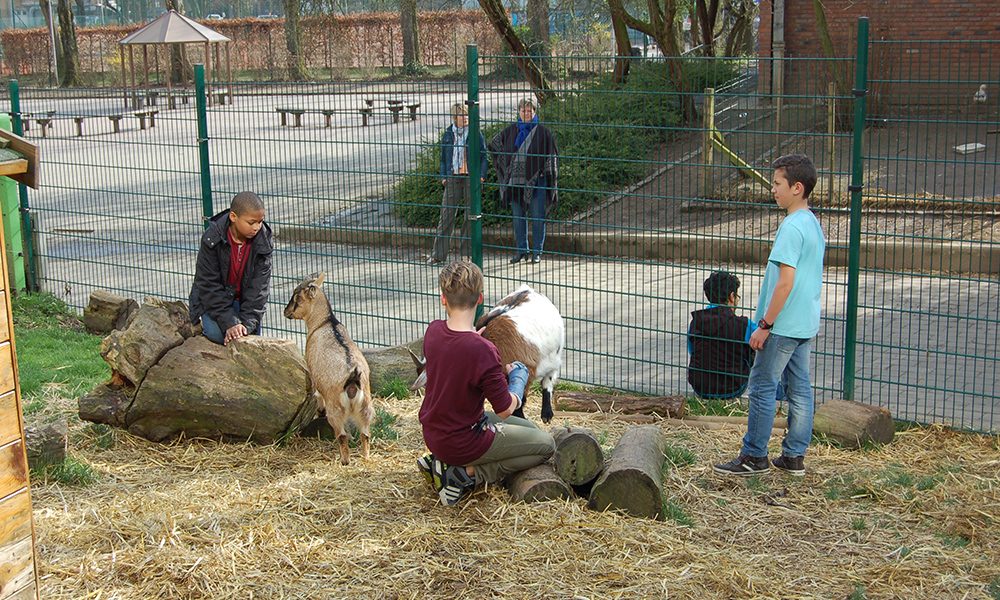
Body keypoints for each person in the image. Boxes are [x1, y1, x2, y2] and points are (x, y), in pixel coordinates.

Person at [714, 154, 825, 478]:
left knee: (762, 385)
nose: (772, 188)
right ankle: (793, 457)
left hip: (783, 324)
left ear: (797, 187)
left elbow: (786, 282)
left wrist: (765, 325)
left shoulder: (791, 228)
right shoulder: (811, 222)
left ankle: (754, 455)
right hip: (804, 322)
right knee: (800, 387)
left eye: (777, 183)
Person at [416, 260, 556, 506]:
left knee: (532, 430)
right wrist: (518, 377)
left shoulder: (433, 331)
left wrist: (474, 340)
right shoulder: (484, 351)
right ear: (480, 298)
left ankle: (440, 461)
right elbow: (504, 409)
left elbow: (457, 349)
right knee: (546, 445)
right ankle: (464, 474)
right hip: (464, 442)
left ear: (443, 299)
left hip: (434, 434)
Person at [189, 191, 273, 346]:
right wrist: (230, 322)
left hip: (245, 302)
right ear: (233, 217)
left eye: (260, 221)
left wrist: (245, 324)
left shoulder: (263, 242)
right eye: (251, 222)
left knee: (245, 334)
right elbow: (208, 284)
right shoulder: (212, 238)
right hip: (215, 300)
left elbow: (259, 289)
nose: (256, 227)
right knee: (217, 334)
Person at [489, 98, 558, 265]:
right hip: (515, 183)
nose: (526, 113)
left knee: (537, 217)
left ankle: (537, 252)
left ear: (534, 112)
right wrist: (505, 168)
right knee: (518, 217)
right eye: (523, 110)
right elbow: (493, 145)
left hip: (537, 182)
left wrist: (548, 175)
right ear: (518, 112)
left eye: (530, 111)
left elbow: (552, 156)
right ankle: (522, 250)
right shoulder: (511, 131)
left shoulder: (543, 132)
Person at [426, 102, 488, 265]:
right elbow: (444, 158)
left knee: (470, 216)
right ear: (455, 117)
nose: (466, 118)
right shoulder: (448, 134)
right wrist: (444, 176)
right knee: (446, 216)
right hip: (453, 177)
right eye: (462, 115)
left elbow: (483, 156)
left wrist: (481, 176)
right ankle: (438, 255)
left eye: (467, 115)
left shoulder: (475, 133)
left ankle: (466, 255)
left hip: (470, 178)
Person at [687, 270, 757, 399]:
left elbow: (692, 351)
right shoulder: (744, 324)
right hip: (732, 388)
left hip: (700, 386)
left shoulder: (696, 321)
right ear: (731, 296)